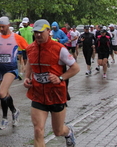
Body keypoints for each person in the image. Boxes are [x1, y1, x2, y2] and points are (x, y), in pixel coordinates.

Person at [24, 19, 80, 147]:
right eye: (36, 32)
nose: (38, 35)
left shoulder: (59, 48)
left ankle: (68, 132)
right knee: (38, 130)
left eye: (41, 32)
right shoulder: (30, 48)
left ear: (49, 31)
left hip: (56, 94)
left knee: (58, 131)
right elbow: (29, 63)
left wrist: (60, 78)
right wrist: (27, 77)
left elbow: (75, 68)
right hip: (38, 94)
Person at [0, 16, 28, 130]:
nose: (1, 29)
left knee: (1, 93)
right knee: (5, 94)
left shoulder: (17, 38)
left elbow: (29, 49)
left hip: (11, 69)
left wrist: (28, 64)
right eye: (0, 27)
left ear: (8, 25)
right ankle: (15, 111)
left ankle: (4, 118)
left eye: (3, 27)